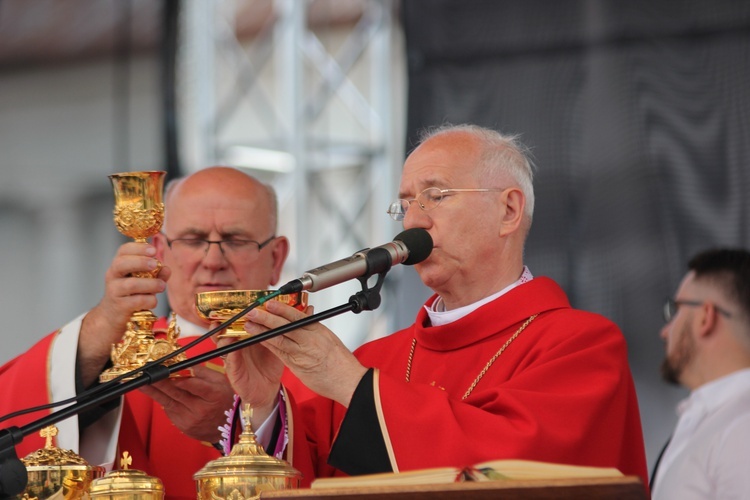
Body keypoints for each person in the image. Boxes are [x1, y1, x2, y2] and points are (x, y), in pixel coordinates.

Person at [218, 124, 649, 487]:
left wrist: (350, 382)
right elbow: (308, 478)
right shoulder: (374, 361)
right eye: (405, 203)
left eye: (436, 195)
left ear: (508, 210)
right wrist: (264, 408)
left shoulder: (582, 347)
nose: (413, 220)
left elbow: (512, 475)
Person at [0, 166, 290, 499]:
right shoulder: (117, 354)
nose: (212, 260)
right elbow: (12, 416)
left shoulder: (313, 365)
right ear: (160, 251)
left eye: (236, 240)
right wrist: (102, 324)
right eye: (192, 240)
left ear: (276, 258)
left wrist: (250, 420)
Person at [650, 248, 750, 499]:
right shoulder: (716, 419)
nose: (665, 331)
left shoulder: (742, 429)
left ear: (706, 317)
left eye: (675, 309)